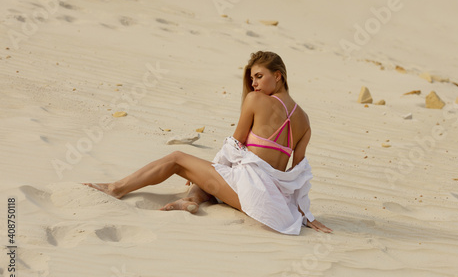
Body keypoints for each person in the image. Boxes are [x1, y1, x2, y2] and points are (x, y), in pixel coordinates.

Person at [85, 51, 331, 235]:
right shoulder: (304, 120)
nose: (254, 83)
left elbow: (233, 147)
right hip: (277, 206)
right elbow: (298, 175)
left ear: (278, 76)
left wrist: (205, 170)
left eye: (259, 76)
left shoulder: (256, 100)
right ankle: (192, 200)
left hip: (251, 192)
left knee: (177, 159)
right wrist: (303, 215)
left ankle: (115, 188)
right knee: (214, 178)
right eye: (252, 78)